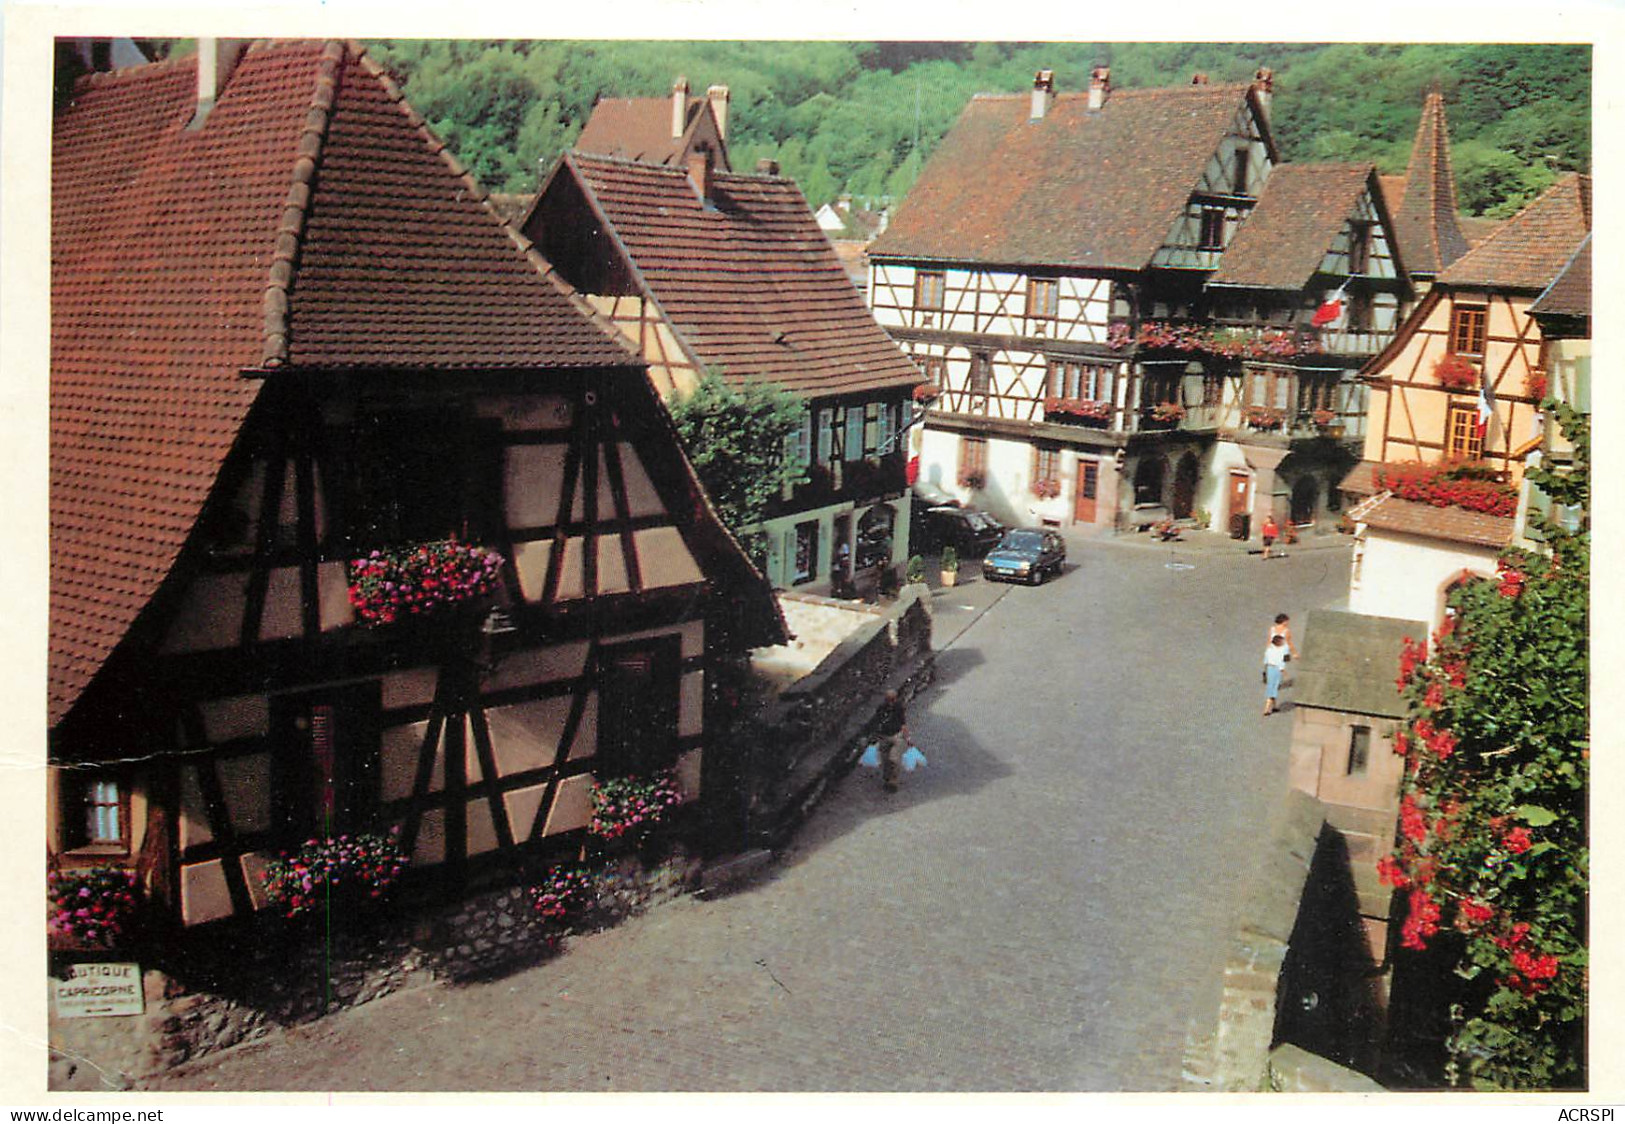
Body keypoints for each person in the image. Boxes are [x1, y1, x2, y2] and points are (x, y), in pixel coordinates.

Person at [875, 688, 910, 793]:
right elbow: (877, 721)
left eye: (893, 699)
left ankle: (893, 781)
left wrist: (906, 736)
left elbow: (903, 722)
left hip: (896, 735)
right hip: (884, 735)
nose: (891, 702)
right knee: (885, 759)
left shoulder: (899, 708)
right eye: (889, 699)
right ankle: (887, 778)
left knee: (894, 759)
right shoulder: (881, 708)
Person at [1262, 634, 1290, 716]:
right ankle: (1266, 709)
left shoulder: (1269, 650)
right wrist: (1285, 673)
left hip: (1269, 669)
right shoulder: (1280, 652)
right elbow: (1281, 664)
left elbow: (1265, 661)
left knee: (1272, 687)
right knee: (1273, 689)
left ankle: (1274, 706)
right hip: (1276, 670)